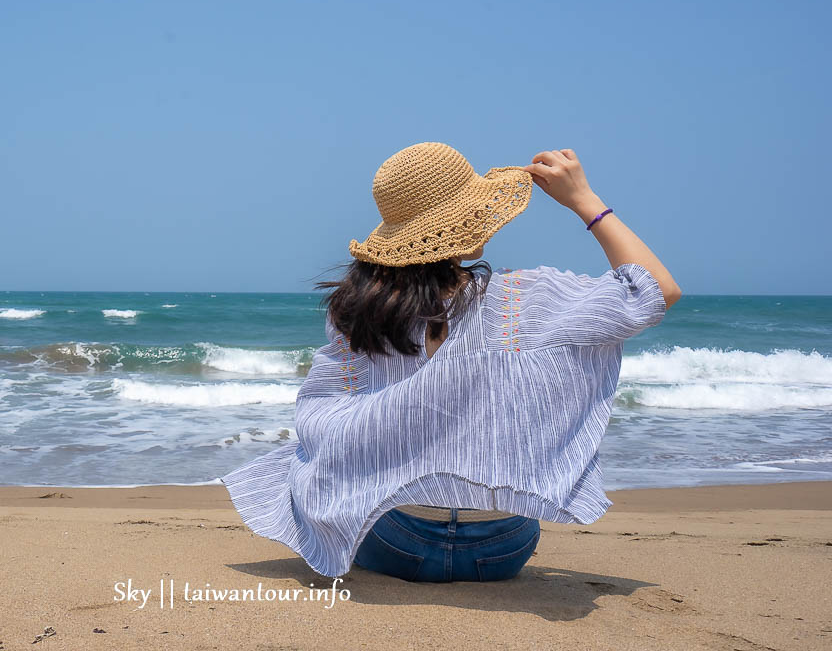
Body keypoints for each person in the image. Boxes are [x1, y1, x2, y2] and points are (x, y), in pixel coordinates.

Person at [221, 142, 681, 583]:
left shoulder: (361, 313)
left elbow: (329, 419)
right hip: (502, 546)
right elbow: (657, 290)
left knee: (300, 462)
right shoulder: (528, 298)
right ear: (470, 219)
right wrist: (585, 200)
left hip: (395, 541)